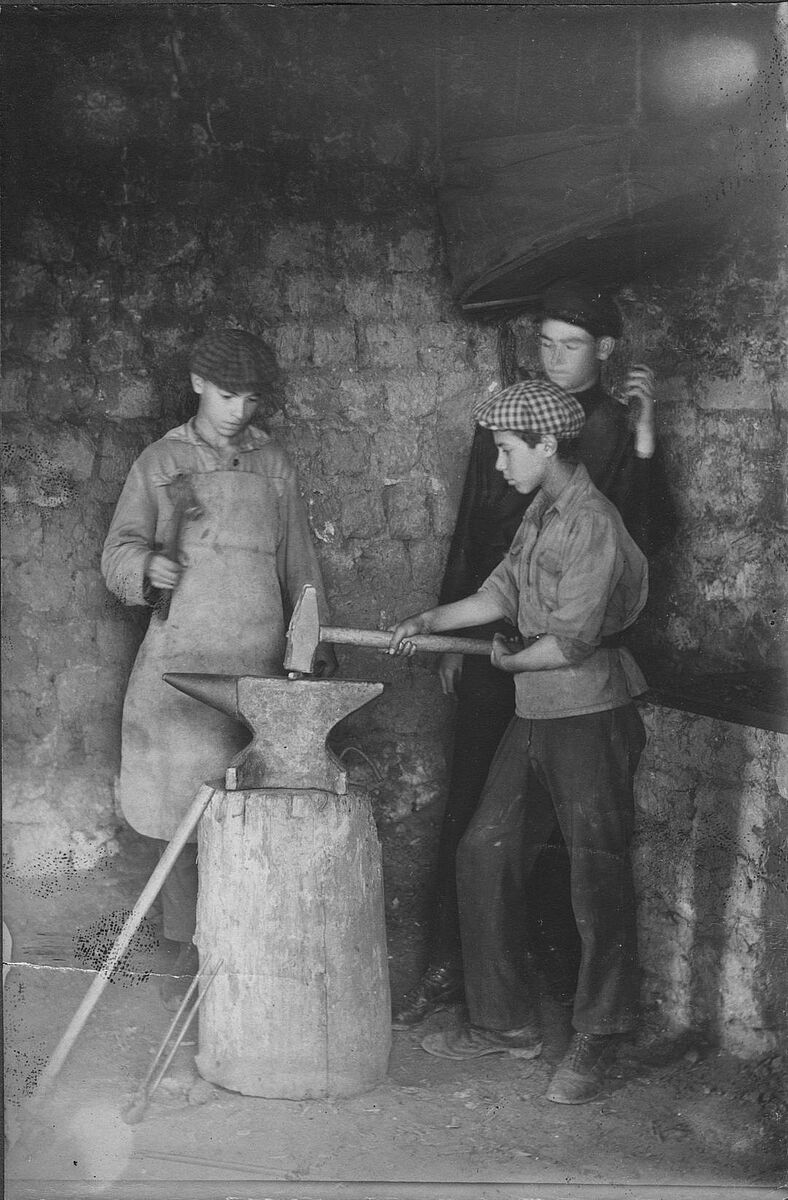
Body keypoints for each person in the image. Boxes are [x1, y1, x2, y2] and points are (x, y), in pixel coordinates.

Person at [392, 279, 673, 1029]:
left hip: (582, 702)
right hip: (535, 699)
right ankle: (502, 1020)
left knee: (595, 871)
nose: (498, 467)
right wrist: (437, 620)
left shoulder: (592, 521)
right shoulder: (542, 511)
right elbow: (500, 584)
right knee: (484, 847)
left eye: (507, 453)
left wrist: (508, 659)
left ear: (546, 446)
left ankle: (598, 1033)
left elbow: (573, 639)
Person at [102, 327, 336, 1006]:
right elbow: (117, 551)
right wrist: (147, 565)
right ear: (198, 384)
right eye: (228, 395)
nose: (239, 410)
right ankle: (186, 945)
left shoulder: (275, 466)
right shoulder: (161, 460)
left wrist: (308, 652)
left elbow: (301, 568)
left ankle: (244, 943)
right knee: (179, 804)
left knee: (250, 805)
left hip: (255, 664)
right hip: (181, 661)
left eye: (251, 399)